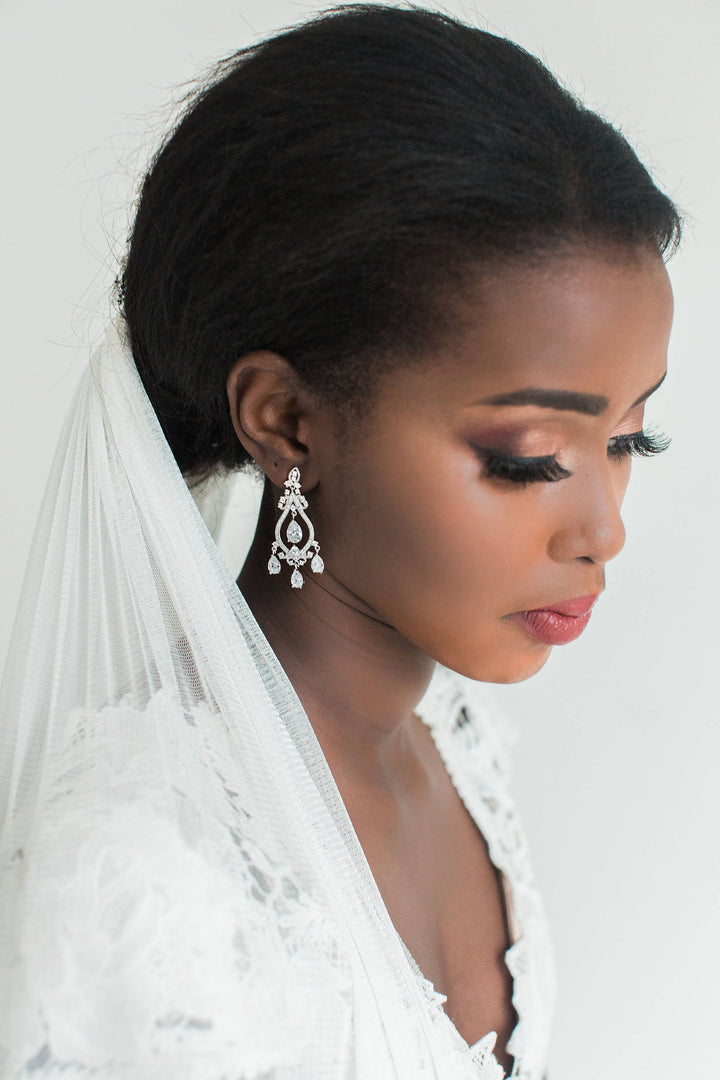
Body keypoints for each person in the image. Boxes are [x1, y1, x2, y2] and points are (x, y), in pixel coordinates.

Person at [0, 4, 680, 1078]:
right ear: (287, 422)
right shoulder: (143, 873)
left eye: (635, 437)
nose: (604, 528)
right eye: (527, 456)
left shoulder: (456, 740)